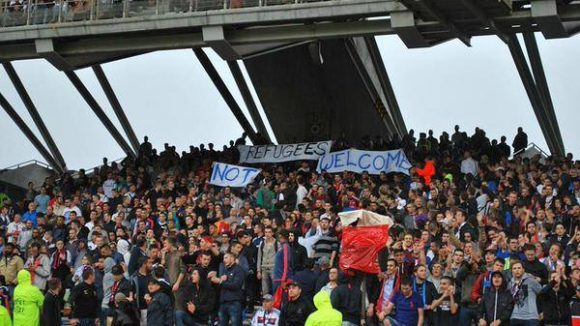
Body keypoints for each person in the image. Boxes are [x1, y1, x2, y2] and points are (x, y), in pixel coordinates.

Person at [210, 252, 245, 326]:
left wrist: (220, 281)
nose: (224, 260)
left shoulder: (239, 270)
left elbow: (236, 285)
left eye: (226, 258)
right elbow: (220, 286)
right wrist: (214, 279)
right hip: (223, 302)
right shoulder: (224, 270)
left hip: (234, 302)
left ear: (232, 258)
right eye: (223, 258)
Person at [509, 260, 542, 325]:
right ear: (512, 271)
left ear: (523, 270)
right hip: (515, 317)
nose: (517, 270)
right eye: (514, 268)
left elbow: (542, 293)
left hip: (531, 317)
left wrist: (542, 311)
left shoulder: (531, 280)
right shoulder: (510, 283)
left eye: (519, 268)